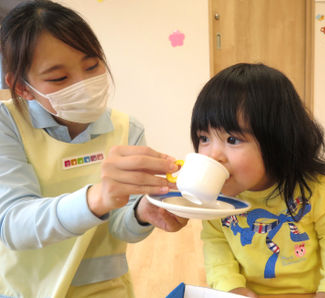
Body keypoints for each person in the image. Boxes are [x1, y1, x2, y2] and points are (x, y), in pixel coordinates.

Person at [0, 1, 188, 297]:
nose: (84, 84)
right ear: (22, 87)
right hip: (26, 290)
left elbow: (120, 226)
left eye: (92, 66)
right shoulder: (7, 125)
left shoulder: (127, 128)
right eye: (59, 78)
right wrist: (97, 197)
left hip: (105, 290)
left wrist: (143, 211)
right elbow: (12, 222)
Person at [190, 63, 325, 297]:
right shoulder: (215, 194)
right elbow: (215, 242)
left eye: (232, 140)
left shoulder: (315, 189)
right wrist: (230, 287)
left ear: (276, 139)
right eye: (204, 138)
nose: (213, 155)